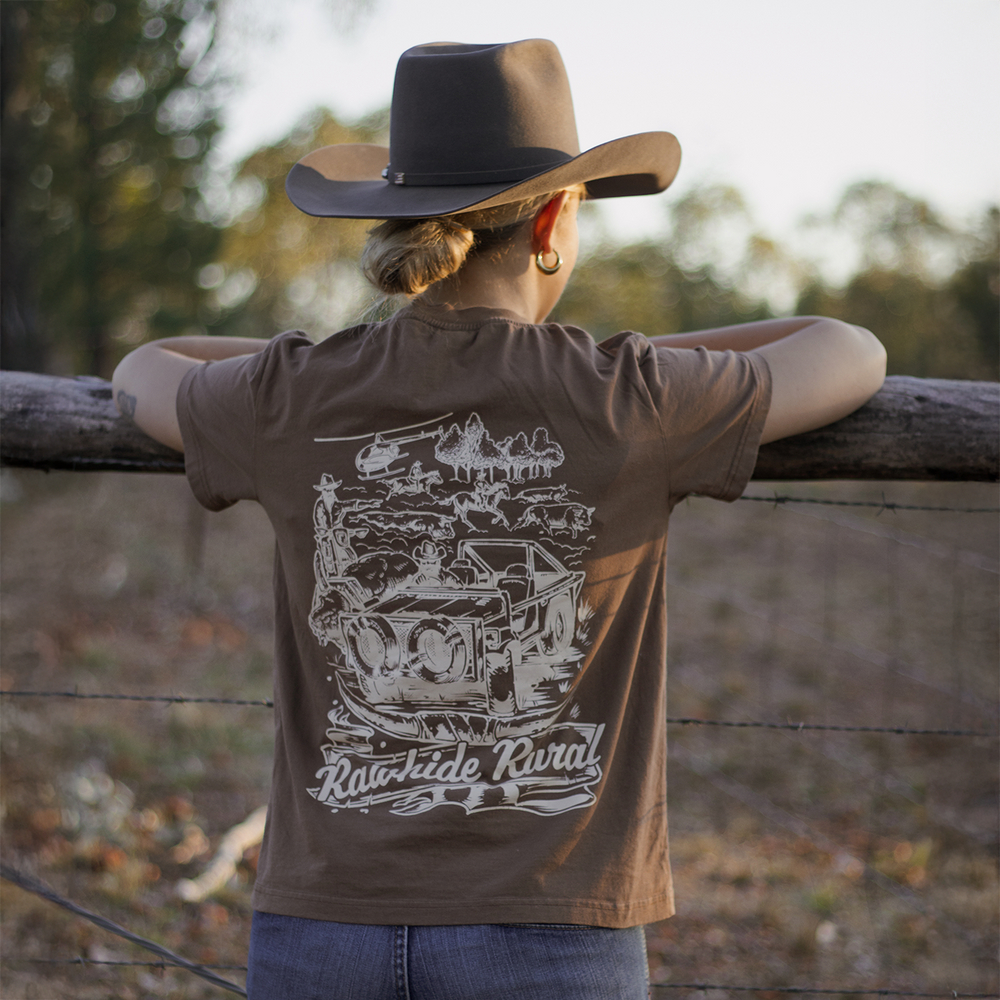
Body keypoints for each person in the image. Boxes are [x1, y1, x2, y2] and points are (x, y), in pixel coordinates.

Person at [112, 39, 886, 1000]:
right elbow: (849, 349)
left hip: (324, 925)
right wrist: (629, 360)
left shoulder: (293, 393)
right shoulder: (630, 397)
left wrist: (315, 362)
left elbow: (145, 368)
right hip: (548, 924)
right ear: (555, 221)